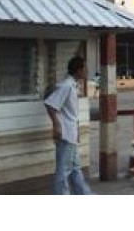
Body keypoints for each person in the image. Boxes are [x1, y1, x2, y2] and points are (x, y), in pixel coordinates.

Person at [44, 56, 93, 195]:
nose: (87, 71)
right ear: (78, 70)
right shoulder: (66, 86)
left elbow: (71, 114)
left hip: (71, 135)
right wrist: (56, 125)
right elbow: (50, 104)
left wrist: (76, 133)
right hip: (65, 135)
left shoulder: (73, 86)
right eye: (85, 68)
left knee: (75, 168)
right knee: (63, 171)